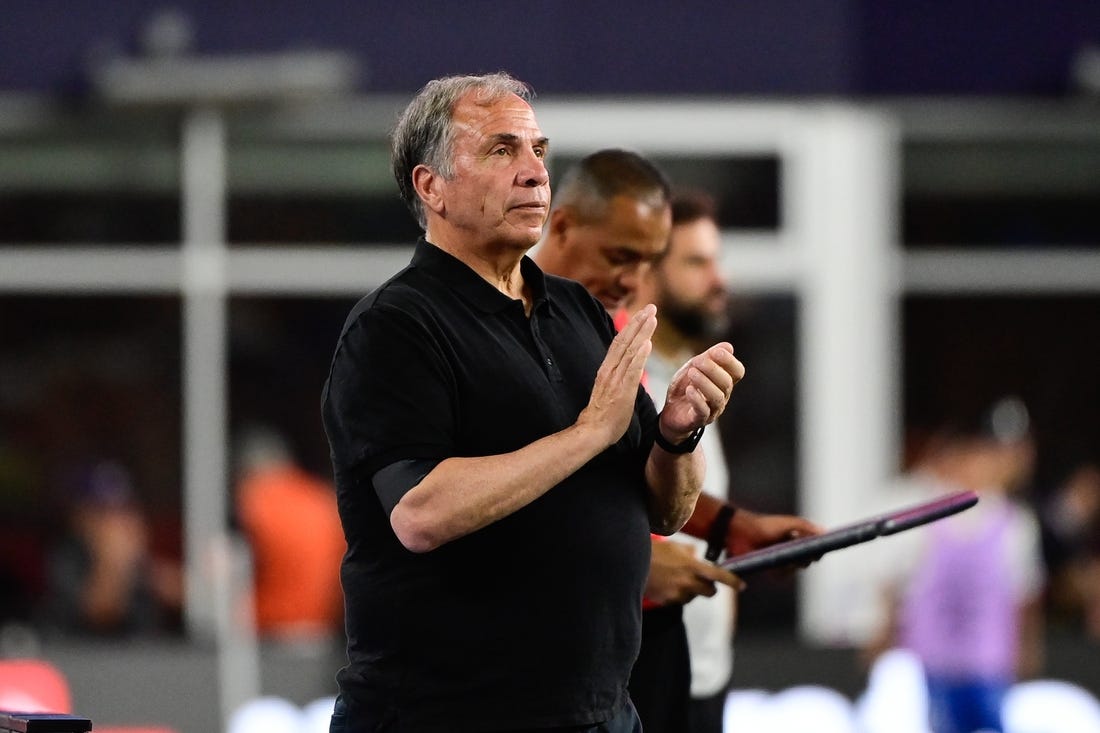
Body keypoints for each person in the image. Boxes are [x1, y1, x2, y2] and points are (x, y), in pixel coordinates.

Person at [320, 72, 744, 732]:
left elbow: (666, 505)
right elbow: (420, 512)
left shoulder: (578, 310)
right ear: (431, 186)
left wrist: (677, 435)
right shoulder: (396, 326)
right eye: (501, 151)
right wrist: (587, 433)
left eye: (539, 151)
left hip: (600, 711)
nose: (534, 173)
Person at [535, 160, 821, 732]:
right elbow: (477, 509)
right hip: (550, 661)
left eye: (646, 260)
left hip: (639, 650)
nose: (632, 279)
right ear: (560, 227)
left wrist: (730, 527)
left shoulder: (612, 335)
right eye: (621, 257)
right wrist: (629, 558)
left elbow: (636, 483)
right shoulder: (505, 336)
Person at [864, 397, 1046, 733]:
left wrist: (1026, 652)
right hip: (931, 665)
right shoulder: (924, 511)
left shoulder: (1015, 523)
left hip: (989, 666)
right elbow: (895, 587)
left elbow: (1023, 597)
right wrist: (882, 639)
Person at [40, 459, 182, 637]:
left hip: (142, 657)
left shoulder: (141, 563)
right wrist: (114, 559)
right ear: (80, 516)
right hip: (84, 656)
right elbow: (101, 613)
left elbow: (180, 592)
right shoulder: (67, 556)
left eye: (123, 509)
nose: (115, 520)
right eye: (103, 512)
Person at [233, 426, 345, 642]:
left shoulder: (255, 500)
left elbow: (232, 570)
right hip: (323, 632)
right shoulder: (323, 498)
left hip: (267, 630)